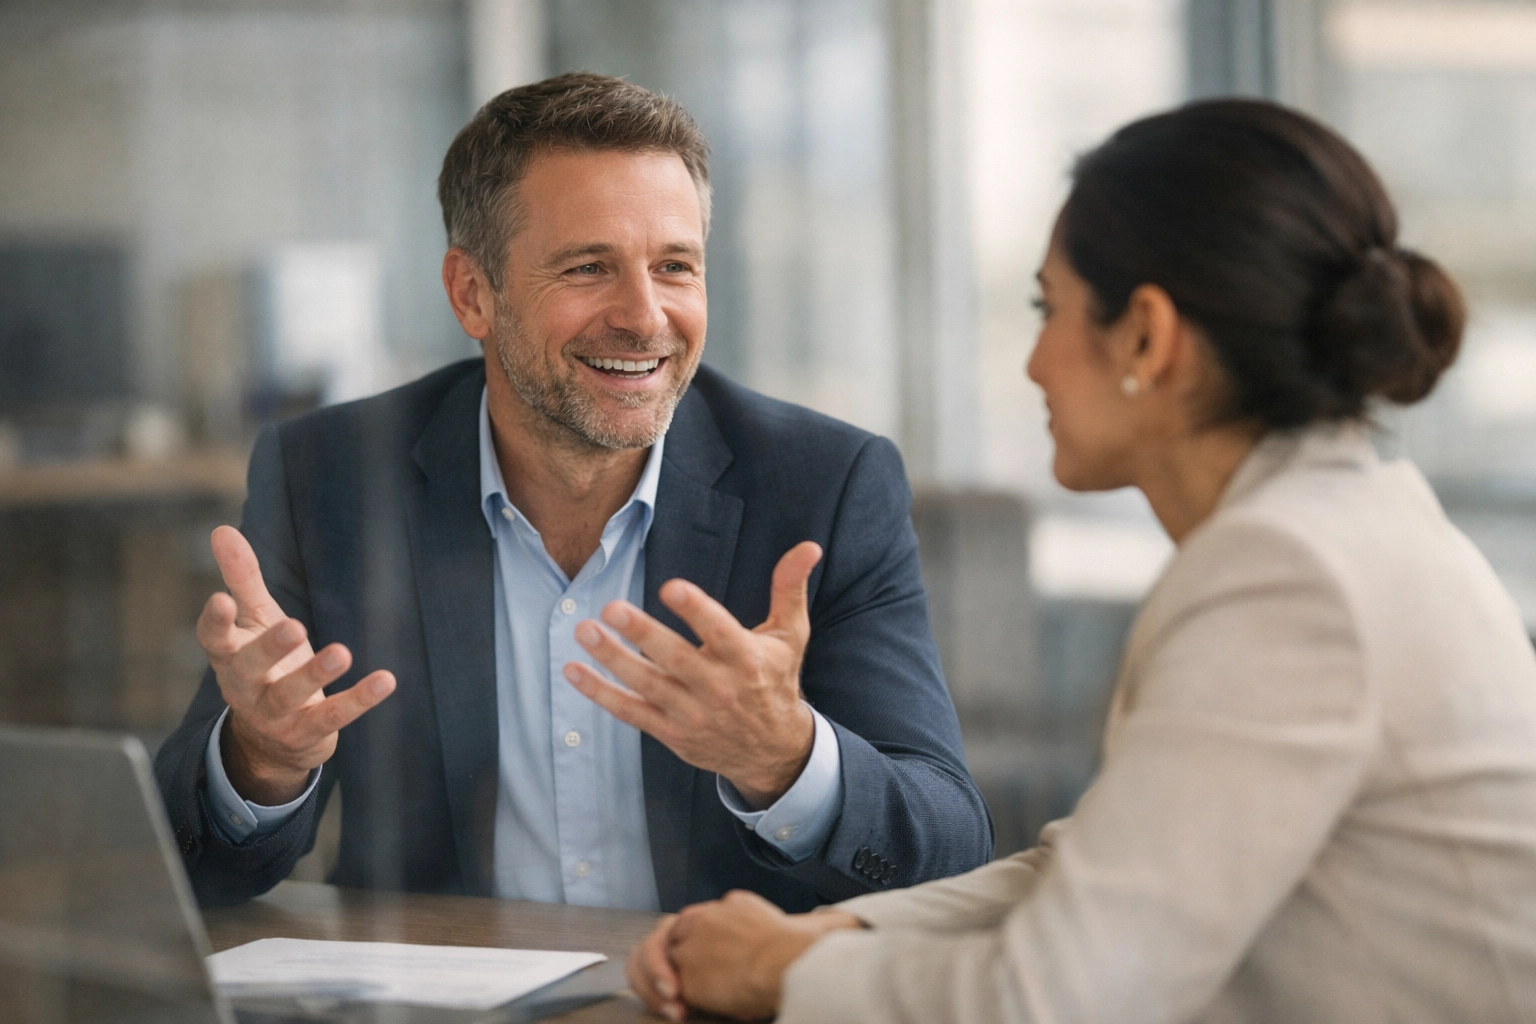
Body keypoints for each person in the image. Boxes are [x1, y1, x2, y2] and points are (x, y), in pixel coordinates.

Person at [627, 98, 1536, 1023]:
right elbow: (1099, 868)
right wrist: (836, 937)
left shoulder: (1288, 578)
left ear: (1146, 336)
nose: (1032, 364)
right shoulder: (1332, 525)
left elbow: (1052, 999)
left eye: (1048, 308)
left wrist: (779, 977)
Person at [153, 72, 992, 913]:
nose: (644, 316)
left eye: (675, 267)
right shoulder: (329, 476)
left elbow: (950, 852)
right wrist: (261, 762)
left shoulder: (824, 487)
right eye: (589, 267)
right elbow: (191, 871)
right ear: (472, 292)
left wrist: (786, 759)